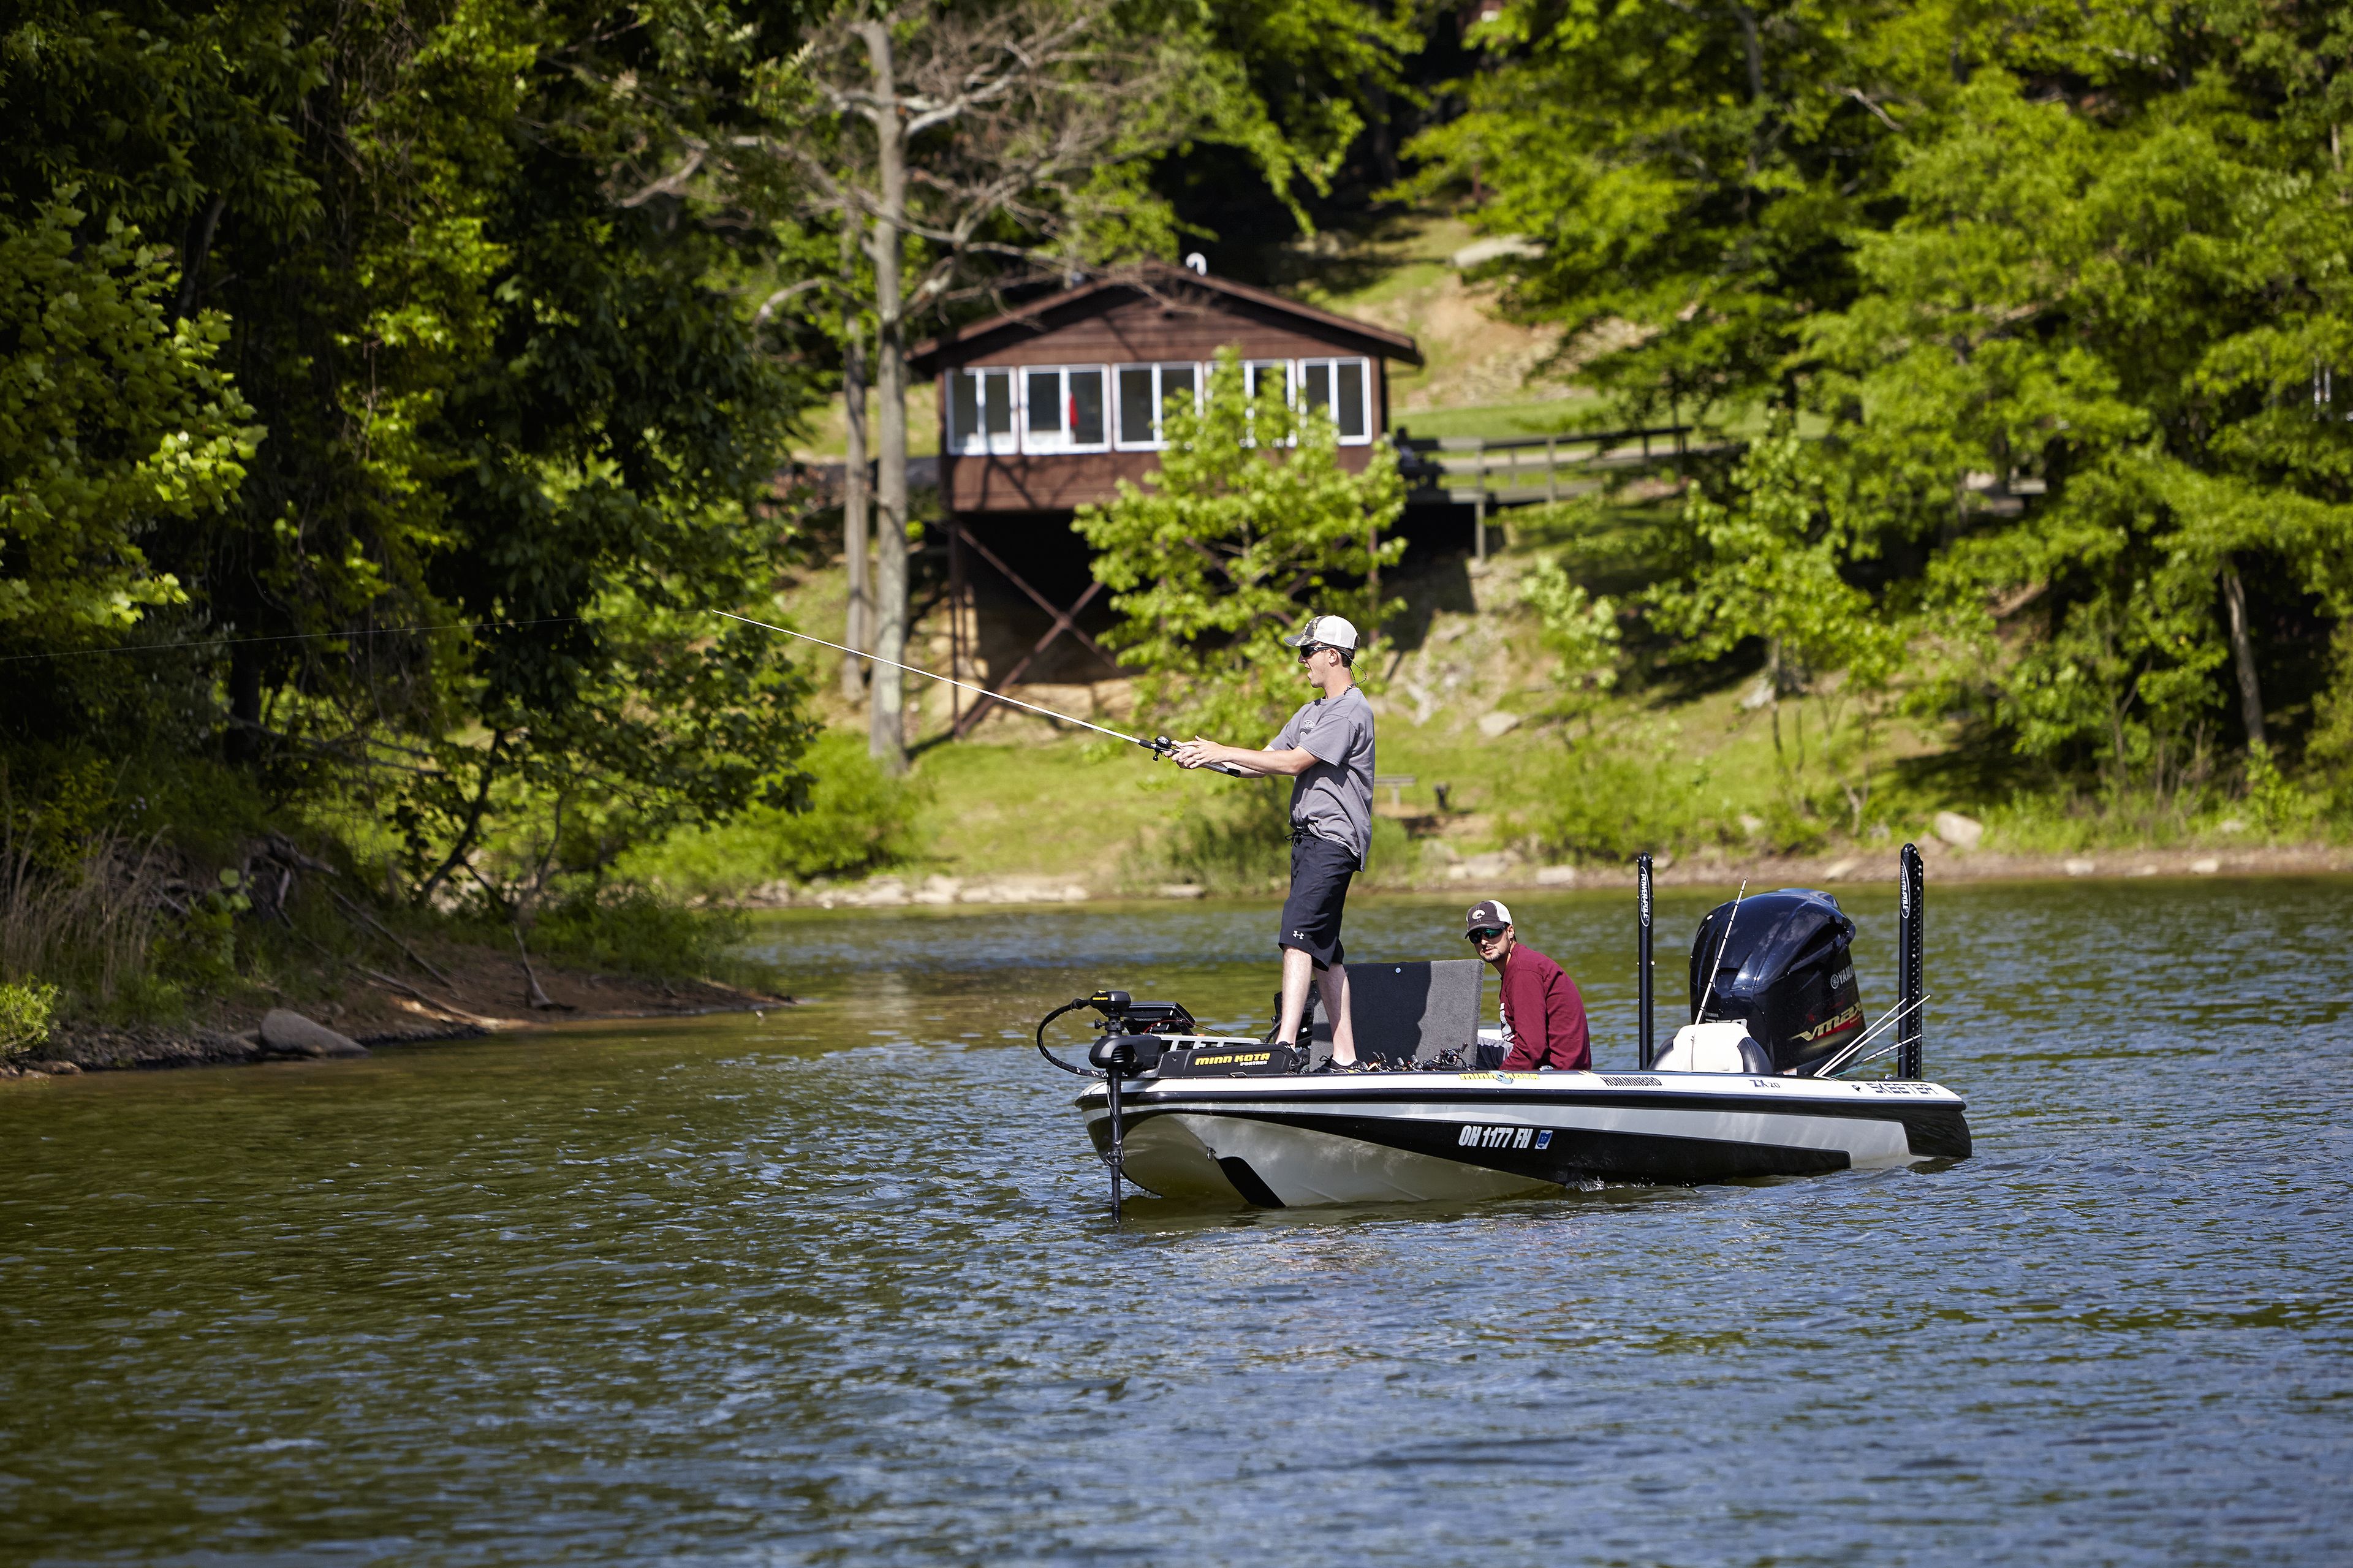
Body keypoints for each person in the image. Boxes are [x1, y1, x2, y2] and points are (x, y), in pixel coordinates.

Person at [1172, 614, 1375, 1070]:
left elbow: (1295, 763)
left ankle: (1282, 1047)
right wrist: (1199, 757)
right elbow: (1260, 762)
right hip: (1307, 842)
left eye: (1307, 652)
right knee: (1325, 951)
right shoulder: (1311, 712)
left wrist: (1222, 748)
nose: (1301, 661)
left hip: (1333, 841)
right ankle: (1346, 1058)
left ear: (1332, 655)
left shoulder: (1351, 710)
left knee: (1297, 936)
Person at [1463, 898, 1590, 1071]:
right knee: (1461, 1042)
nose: (1484, 941)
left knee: (1458, 1048)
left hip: (1554, 1072)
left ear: (1510, 931)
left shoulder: (1524, 971)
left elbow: (1531, 1049)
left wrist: (1496, 1083)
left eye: (1491, 932)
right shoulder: (1518, 965)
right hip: (1547, 1064)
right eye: (1476, 936)